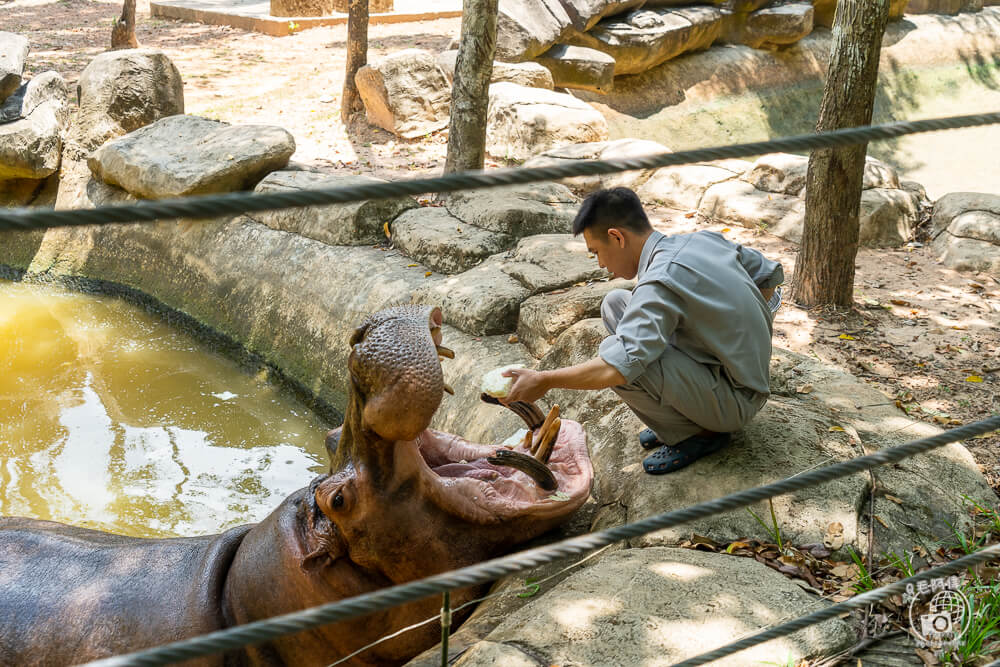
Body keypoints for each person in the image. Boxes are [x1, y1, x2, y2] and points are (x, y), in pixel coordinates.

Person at [501, 187, 783, 475]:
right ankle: (690, 412)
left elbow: (617, 368)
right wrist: (741, 332)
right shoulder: (699, 240)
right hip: (733, 377)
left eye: (597, 252)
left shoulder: (661, 278)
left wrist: (545, 380)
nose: (600, 263)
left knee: (618, 359)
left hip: (735, 402)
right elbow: (769, 274)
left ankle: (699, 433)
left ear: (617, 237)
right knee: (615, 304)